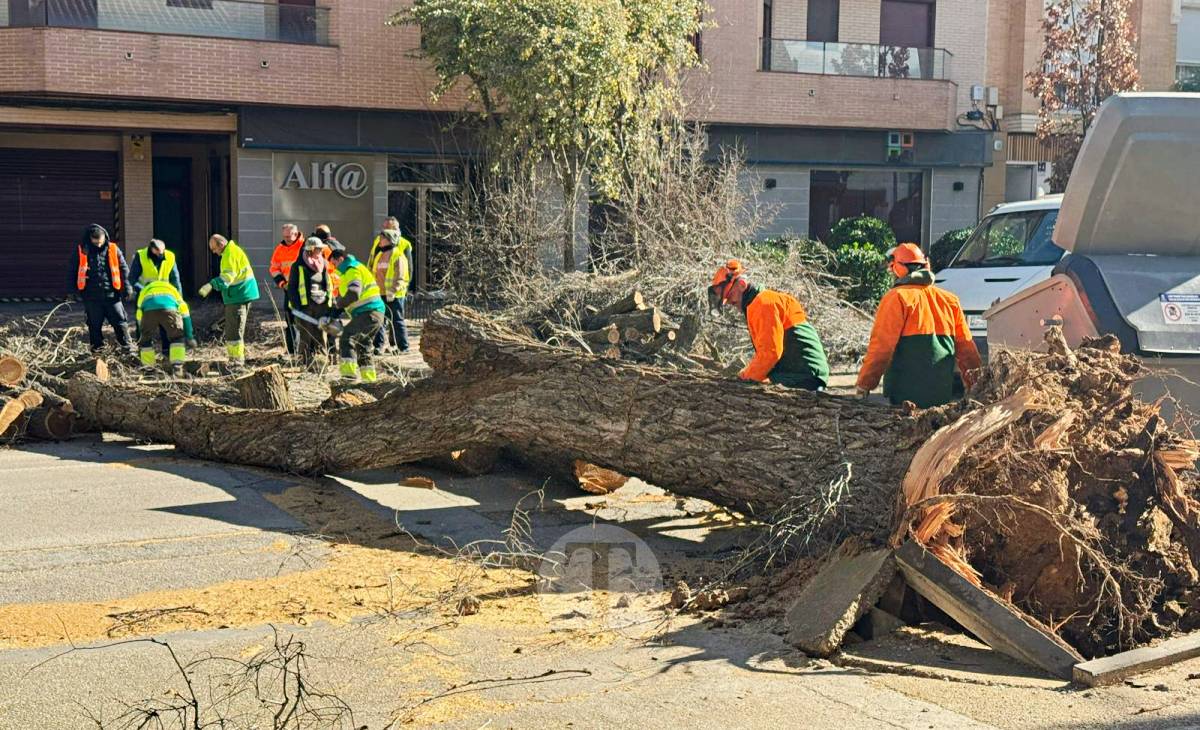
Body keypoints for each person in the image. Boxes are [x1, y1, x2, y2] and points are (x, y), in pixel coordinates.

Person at [855, 243, 982, 408]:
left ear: (897, 268)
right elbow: (967, 349)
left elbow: (881, 347)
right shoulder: (949, 300)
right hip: (941, 393)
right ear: (926, 266)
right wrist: (976, 384)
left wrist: (864, 384)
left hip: (905, 396)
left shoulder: (896, 298)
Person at [707, 259, 829, 391]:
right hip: (798, 372)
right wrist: (749, 374)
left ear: (741, 284)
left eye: (730, 296)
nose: (730, 302)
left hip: (803, 374)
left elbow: (770, 353)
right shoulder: (757, 304)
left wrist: (745, 378)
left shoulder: (763, 303)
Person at [69, 223, 135, 355]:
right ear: (90, 239)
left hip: (112, 296)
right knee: (94, 326)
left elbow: (124, 269)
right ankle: (97, 352)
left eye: (101, 242)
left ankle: (128, 349)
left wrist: (127, 288)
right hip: (91, 297)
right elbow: (72, 271)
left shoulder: (113, 249)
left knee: (120, 322)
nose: (99, 245)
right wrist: (72, 291)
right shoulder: (81, 251)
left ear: (105, 237)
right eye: (96, 242)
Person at [199, 234, 260, 366]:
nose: (214, 252)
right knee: (237, 328)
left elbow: (226, 279)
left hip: (237, 296)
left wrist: (211, 284)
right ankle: (238, 358)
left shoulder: (228, 255)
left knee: (234, 331)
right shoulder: (234, 250)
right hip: (243, 293)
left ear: (221, 245)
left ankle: (236, 362)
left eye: (214, 249)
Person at [327, 246, 386, 382]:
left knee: (348, 338)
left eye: (335, 264)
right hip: (372, 312)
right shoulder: (353, 269)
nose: (335, 268)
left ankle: (349, 377)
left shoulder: (352, 270)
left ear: (340, 259)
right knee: (363, 346)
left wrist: (338, 304)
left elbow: (353, 293)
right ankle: (369, 381)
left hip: (369, 311)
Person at [128, 238, 196, 351]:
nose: (161, 255)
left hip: (165, 298)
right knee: (144, 328)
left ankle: (166, 352)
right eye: (158, 252)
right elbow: (132, 279)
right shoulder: (141, 256)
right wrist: (145, 290)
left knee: (167, 326)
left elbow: (175, 279)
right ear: (151, 249)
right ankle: (144, 350)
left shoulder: (169, 256)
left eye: (162, 252)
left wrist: (179, 298)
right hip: (146, 298)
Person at [286, 236, 335, 366]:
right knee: (305, 335)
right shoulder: (298, 266)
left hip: (322, 305)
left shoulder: (323, 263)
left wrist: (331, 302)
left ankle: (321, 363)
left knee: (320, 335)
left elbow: (328, 284)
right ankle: (304, 363)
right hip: (305, 306)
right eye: (318, 249)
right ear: (311, 249)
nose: (320, 251)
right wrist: (297, 306)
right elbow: (292, 288)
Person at [368, 227, 413, 354]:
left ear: (389, 240)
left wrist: (393, 291)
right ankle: (378, 347)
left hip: (394, 295)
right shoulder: (379, 255)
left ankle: (403, 347)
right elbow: (374, 274)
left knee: (397, 321)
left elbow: (401, 276)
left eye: (382, 238)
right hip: (379, 294)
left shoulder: (398, 255)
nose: (379, 240)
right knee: (379, 321)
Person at [134, 271, 188, 377]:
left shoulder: (145, 290)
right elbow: (183, 308)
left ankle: (148, 370)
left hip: (148, 311)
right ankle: (177, 368)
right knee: (177, 338)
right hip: (170, 309)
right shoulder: (171, 288)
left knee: (146, 342)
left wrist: (141, 332)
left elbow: (139, 310)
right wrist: (188, 331)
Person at [269, 223, 306, 355]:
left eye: (289, 236)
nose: (287, 239)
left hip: (305, 291)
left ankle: (306, 351)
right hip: (289, 290)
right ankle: (292, 352)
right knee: (290, 321)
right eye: (285, 237)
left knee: (306, 321)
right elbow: (274, 268)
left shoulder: (305, 246)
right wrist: (282, 283)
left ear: (296, 234)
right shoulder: (280, 249)